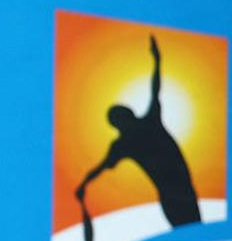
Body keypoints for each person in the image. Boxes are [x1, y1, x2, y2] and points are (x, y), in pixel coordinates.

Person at [75, 34, 201, 230]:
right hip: (174, 197)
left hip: (182, 194)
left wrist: (157, 61)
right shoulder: (126, 141)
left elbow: (155, 88)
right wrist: (84, 184)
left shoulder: (143, 126)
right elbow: (100, 168)